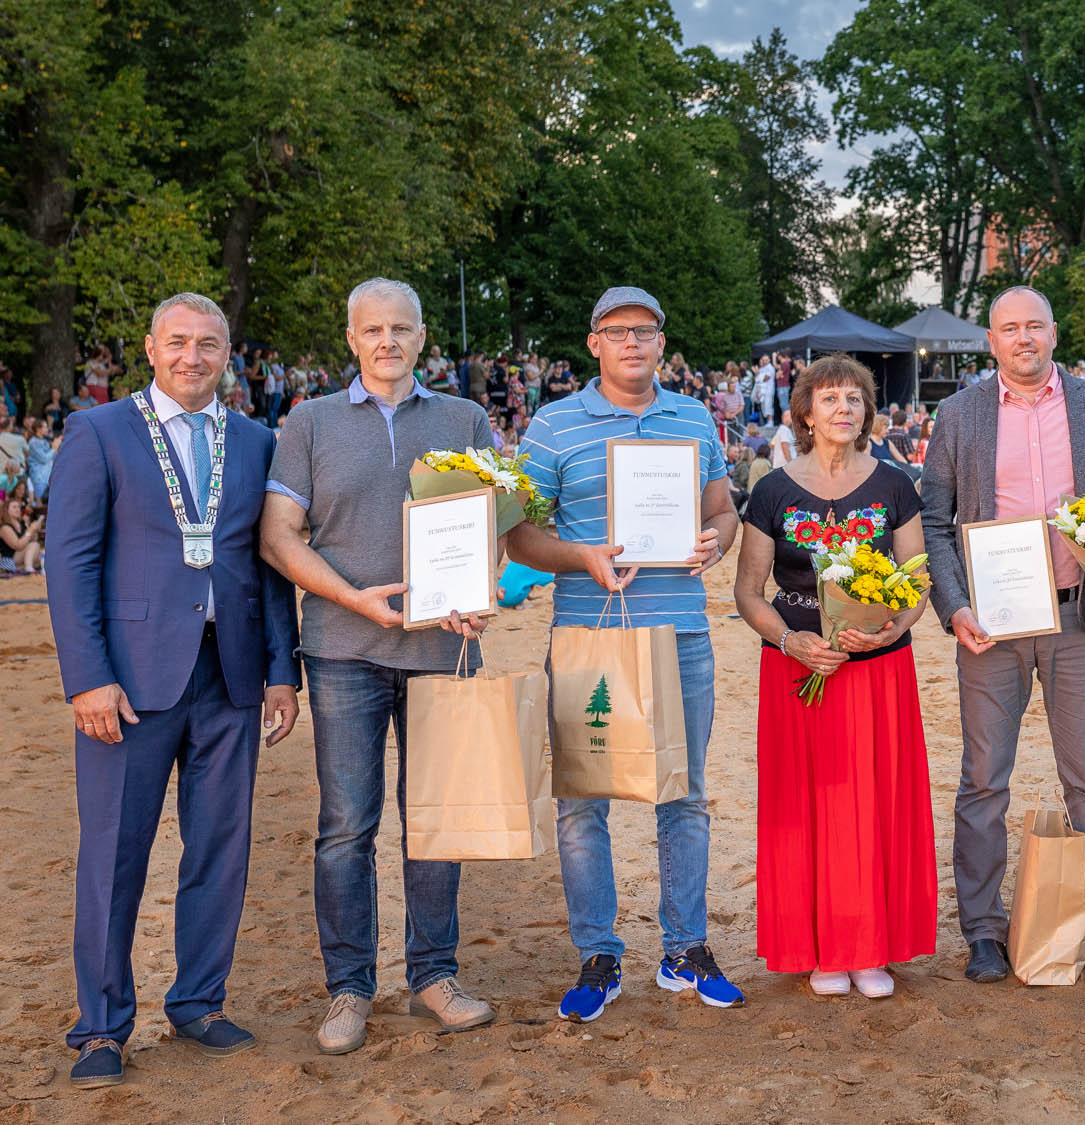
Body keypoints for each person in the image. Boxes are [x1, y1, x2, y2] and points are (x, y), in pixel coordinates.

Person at [46, 293, 300, 1088]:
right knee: (113, 857)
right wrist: (87, 676)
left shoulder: (256, 440)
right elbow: (69, 562)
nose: (194, 357)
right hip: (127, 685)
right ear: (151, 349)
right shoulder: (97, 432)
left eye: (210, 344)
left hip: (230, 676)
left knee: (220, 849)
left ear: (229, 354)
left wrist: (281, 670)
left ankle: (198, 1000)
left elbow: (269, 564)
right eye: (179, 343)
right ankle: (101, 1026)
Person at [260, 278, 498, 1054]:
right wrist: (358, 601)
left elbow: (493, 524)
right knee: (345, 827)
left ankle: (433, 972)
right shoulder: (310, 420)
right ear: (352, 337)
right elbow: (279, 537)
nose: (387, 340)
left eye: (401, 327)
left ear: (423, 337)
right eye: (373, 329)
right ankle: (350, 986)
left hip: (441, 648)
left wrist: (479, 589)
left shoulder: (465, 419)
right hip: (341, 650)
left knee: (436, 821)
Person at [505, 287, 744, 1022]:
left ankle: (684, 949)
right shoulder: (551, 426)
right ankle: (599, 954)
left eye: (645, 331)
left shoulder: (694, 417)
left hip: (682, 632)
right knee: (583, 802)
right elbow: (519, 536)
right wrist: (579, 555)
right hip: (591, 633)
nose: (632, 343)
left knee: (686, 794)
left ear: (661, 343)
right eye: (617, 332)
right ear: (594, 343)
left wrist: (716, 540)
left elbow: (722, 508)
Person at [919, 286, 1085, 984]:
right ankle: (982, 930)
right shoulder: (958, 415)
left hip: (1078, 617)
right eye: (1008, 328)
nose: (1022, 338)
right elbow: (932, 521)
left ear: (1053, 332)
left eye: (1033, 325)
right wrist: (953, 605)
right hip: (991, 627)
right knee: (983, 781)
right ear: (991, 340)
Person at [733, 355, 936, 998]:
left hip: (876, 671)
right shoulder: (771, 489)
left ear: (868, 412)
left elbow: (916, 580)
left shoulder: (896, 485)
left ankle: (869, 946)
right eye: (829, 398)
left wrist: (893, 627)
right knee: (808, 806)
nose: (843, 408)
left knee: (875, 804)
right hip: (798, 673)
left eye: (854, 398)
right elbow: (747, 592)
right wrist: (792, 641)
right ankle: (821, 947)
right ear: (806, 412)